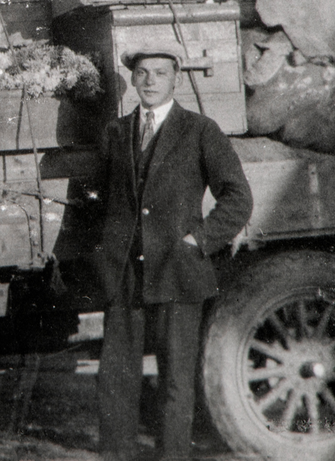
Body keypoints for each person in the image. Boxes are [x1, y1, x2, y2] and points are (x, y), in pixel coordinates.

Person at [92, 40, 252, 461]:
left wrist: (197, 240)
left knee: (177, 383)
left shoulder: (200, 130)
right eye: (142, 73)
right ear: (131, 78)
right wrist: (104, 250)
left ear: (175, 78)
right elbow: (103, 199)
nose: (150, 81)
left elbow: (238, 197)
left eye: (160, 73)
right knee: (115, 379)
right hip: (125, 275)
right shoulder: (114, 132)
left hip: (178, 274)